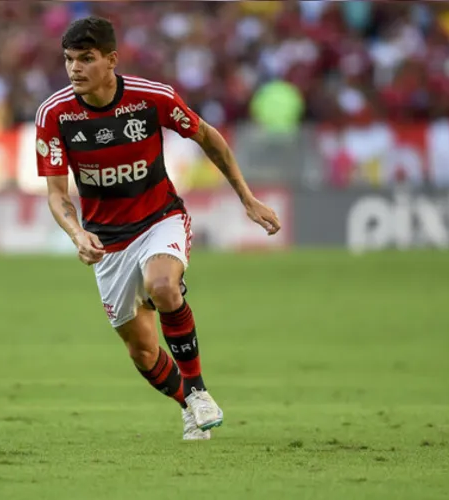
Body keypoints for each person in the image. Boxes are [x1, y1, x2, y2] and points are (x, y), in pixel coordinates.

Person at [35, 16, 281, 440]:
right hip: (107, 242)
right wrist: (77, 234)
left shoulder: (152, 98)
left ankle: (200, 392)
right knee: (143, 351)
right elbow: (57, 194)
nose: (75, 68)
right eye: (69, 60)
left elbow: (208, 137)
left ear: (111, 60)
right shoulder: (55, 113)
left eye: (86, 59)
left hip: (159, 219)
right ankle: (188, 405)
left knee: (164, 287)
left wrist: (246, 197)